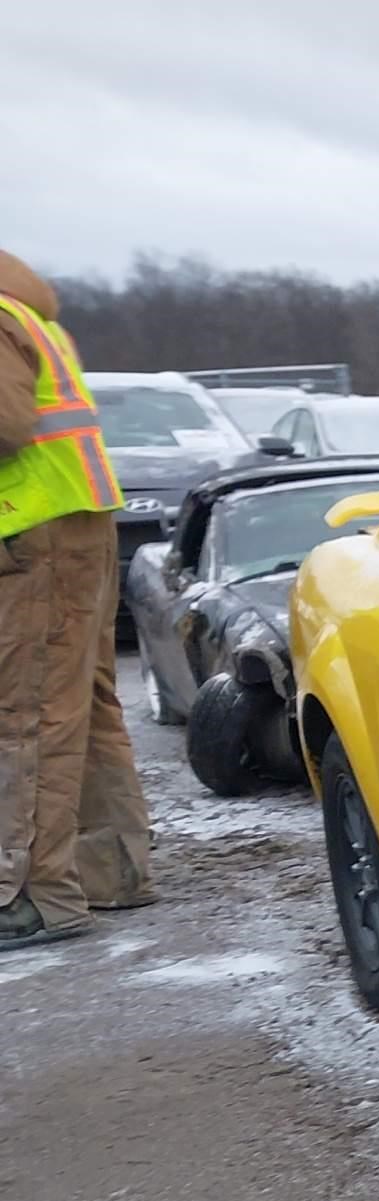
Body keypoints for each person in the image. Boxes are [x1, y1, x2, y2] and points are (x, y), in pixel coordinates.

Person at [0, 248, 153, 951]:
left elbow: (5, 427)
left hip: (30, 532)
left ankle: (30, 896)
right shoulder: (26, 314)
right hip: (72, 525)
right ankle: (107, 871)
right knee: (81, 707)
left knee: (26, 712)